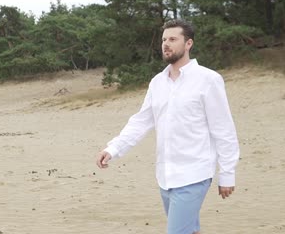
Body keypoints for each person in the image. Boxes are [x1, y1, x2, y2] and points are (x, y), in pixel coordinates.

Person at [96, 19, 240, 234]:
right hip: (165, 175)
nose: (166, 44)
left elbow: (224, 129)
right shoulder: (157, 82)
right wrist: (113, 149)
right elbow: (142, 121)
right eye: (164, 40)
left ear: (188, 43)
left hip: (195, 173)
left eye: (173, 39)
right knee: (189, 230)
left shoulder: (208, 80)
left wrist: (227, 174)